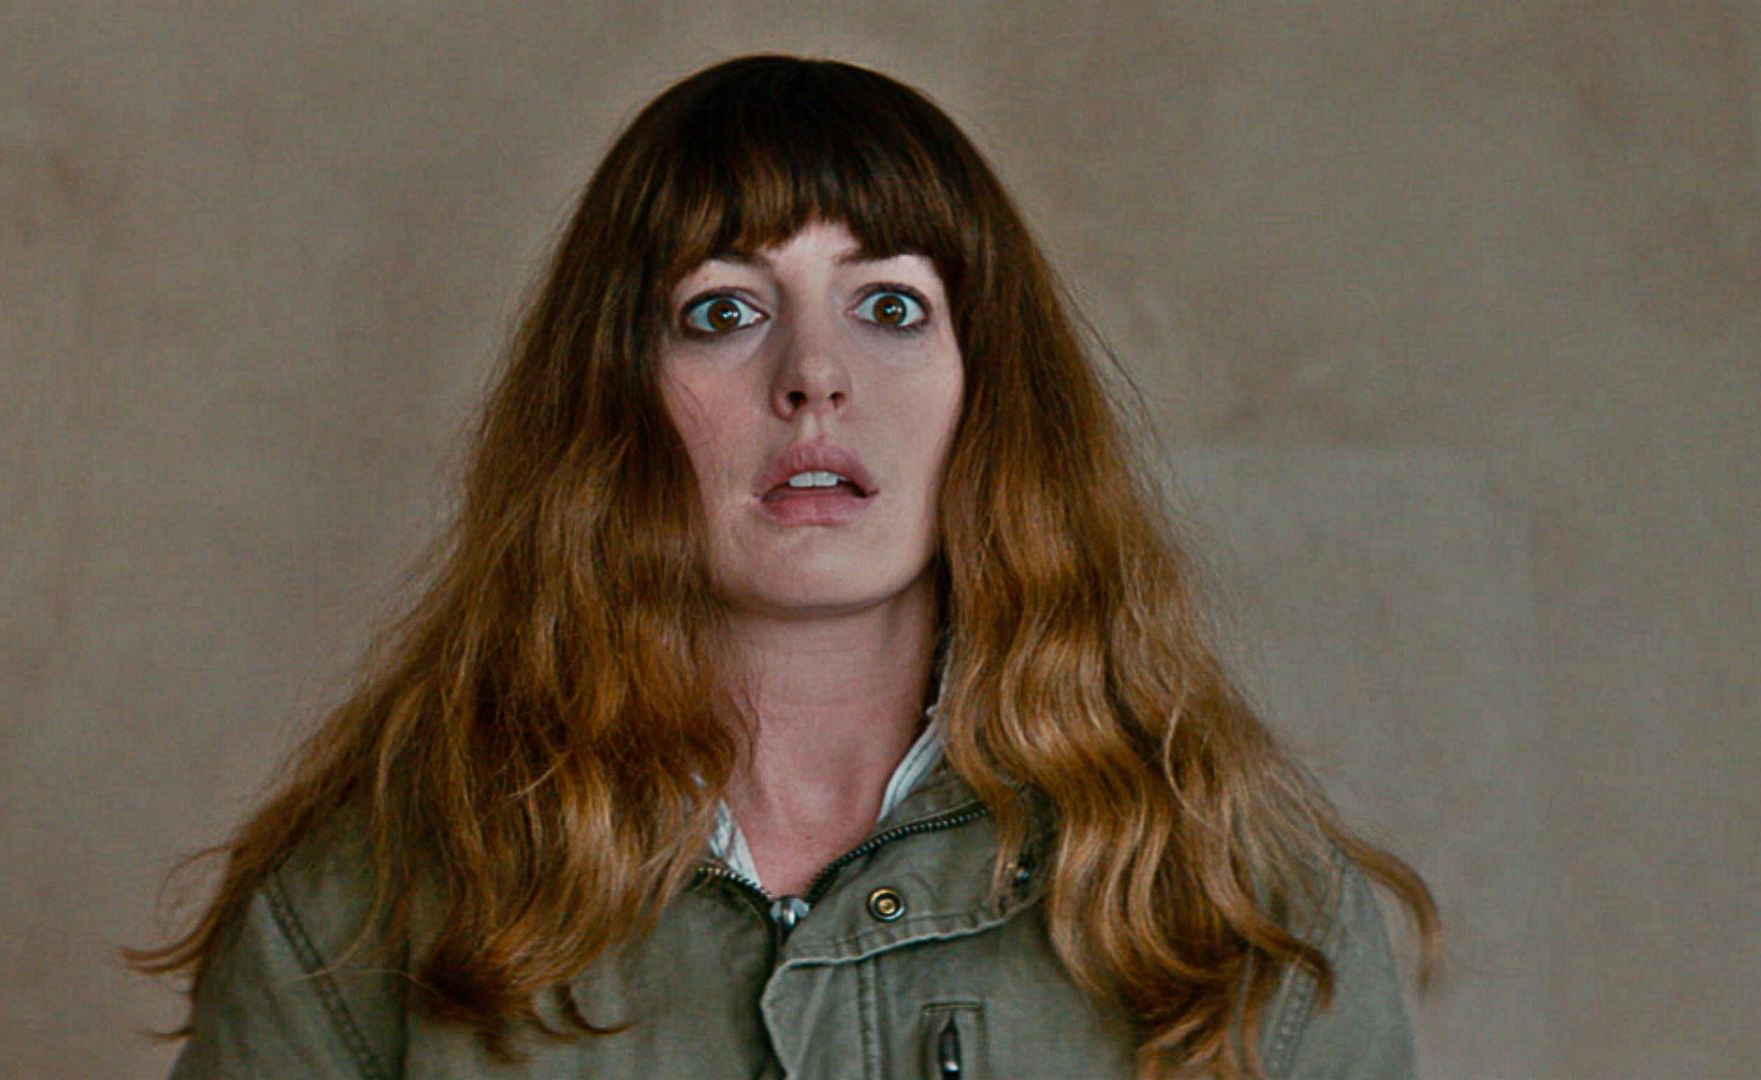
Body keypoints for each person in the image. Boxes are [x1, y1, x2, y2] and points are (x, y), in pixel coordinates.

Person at [130, 53, 1442, 1079]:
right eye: (723, 311)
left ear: (987, 394)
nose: (813, 374)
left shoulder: (1232, 899)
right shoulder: (364, 910)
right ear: (619, 402)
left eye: (891, 307)